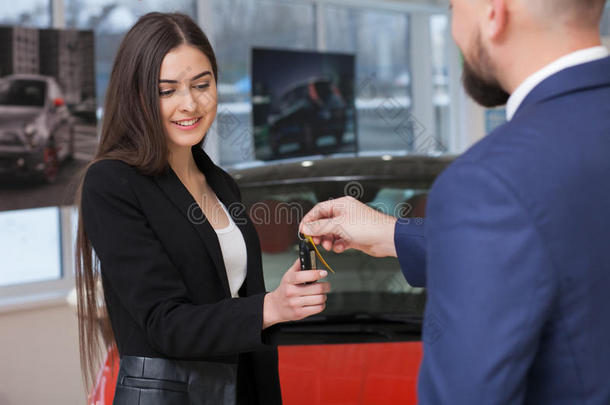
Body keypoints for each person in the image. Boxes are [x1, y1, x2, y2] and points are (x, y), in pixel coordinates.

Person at [300, 0, 610, 403]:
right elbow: (573, 241)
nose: (454, 32)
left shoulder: (487, 181)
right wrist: (392, 234)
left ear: (494, 13)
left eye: (452, 8)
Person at [74, 12, 330, 405]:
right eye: (167, 90)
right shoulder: (112, 183)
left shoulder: (221, 183)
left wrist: (284, 298)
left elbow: (234, 302)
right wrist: (270, 307)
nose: (189, 103)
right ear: (137, 94)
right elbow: (164, 323)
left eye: (201, 85)